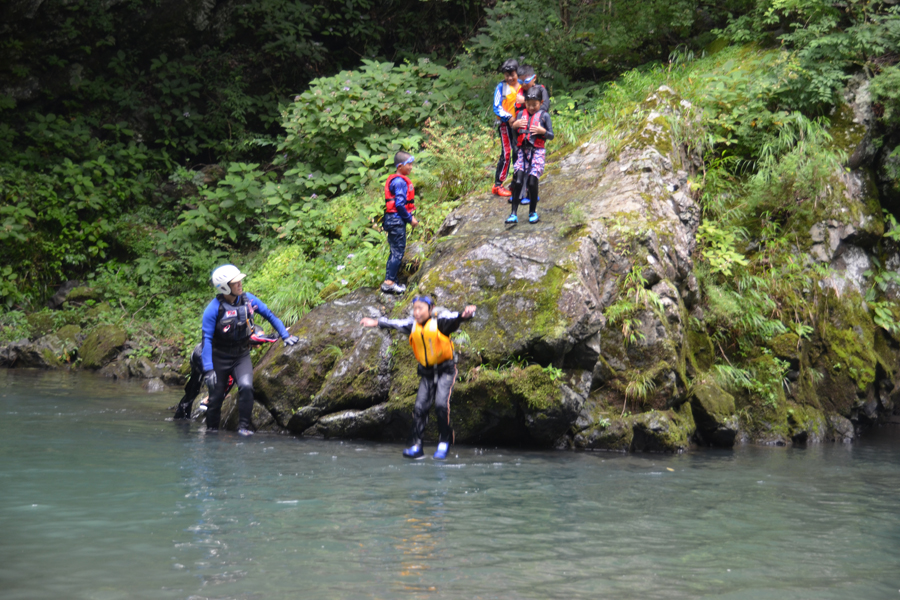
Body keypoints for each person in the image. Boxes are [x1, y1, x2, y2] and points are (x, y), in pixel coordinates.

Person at [360, 295, 476, 460]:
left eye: (421, 308)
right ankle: (417, 446)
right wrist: (376, 322)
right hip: (427, 373)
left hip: (445, 370)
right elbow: (394, 323)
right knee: (420, 408)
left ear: (430, 309)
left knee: (441, 405)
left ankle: (444, 441)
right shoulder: (412, 325)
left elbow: (458, 317)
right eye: (415, 308)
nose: (417, 312)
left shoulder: (440, 322)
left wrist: (467, 314)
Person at [199, 264, 299, 436]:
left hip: (241, 355)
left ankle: (244, 428)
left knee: (246, 387)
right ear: (224, 287)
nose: (240, 284)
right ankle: (211, 432)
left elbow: (269, 314)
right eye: (235, 282)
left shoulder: (249, 300)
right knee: (215, 398)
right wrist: (209, 370)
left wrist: (285, 335)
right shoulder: (213, 309)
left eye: (240, 281)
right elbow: (206, 340)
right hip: (219, 359)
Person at [172, 325, 278, 420]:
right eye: (260, 335)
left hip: (200, 354)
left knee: (193, 390)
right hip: (202, 355)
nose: (260, 338)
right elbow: (255, 339)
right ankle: (207, 402)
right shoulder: (244, 336)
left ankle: (180, 418)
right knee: (228, 378)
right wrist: (279, 335)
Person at [506, 86, 554, 225]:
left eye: (535, 104)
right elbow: (515, 135)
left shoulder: (544, 116)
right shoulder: (521, 115)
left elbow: (551, 135)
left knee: (532, 182)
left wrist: (542, 131)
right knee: (518, 181)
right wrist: (514, 127)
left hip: (537, 151)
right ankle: (513, 213)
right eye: (528, 104)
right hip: (522, 151)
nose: (531, 107)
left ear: (541, 102)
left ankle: (532, 212)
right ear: (525, 103)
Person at [382, 151, 419, 294]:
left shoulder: (398, 180)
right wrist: (410, 219)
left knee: (394, 251)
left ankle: (390, 280)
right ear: (399, 166)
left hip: (391, 220)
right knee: (397, 252)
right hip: (396, 221)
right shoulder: (400, 182)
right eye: (408, 164)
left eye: (411, 164)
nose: (411, 167)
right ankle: (389, 283)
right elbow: (399, 204)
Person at [491, 59, 520, 198]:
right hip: (505, 125)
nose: (509, 77)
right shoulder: (501, 87)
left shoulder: (522, 86)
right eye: (506, 74)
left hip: (520, 124)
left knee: (519, 151)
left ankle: (516, 182)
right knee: (507, 152)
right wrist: (508, 117)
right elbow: (496, 107)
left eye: (512, 74)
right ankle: (498, 185)